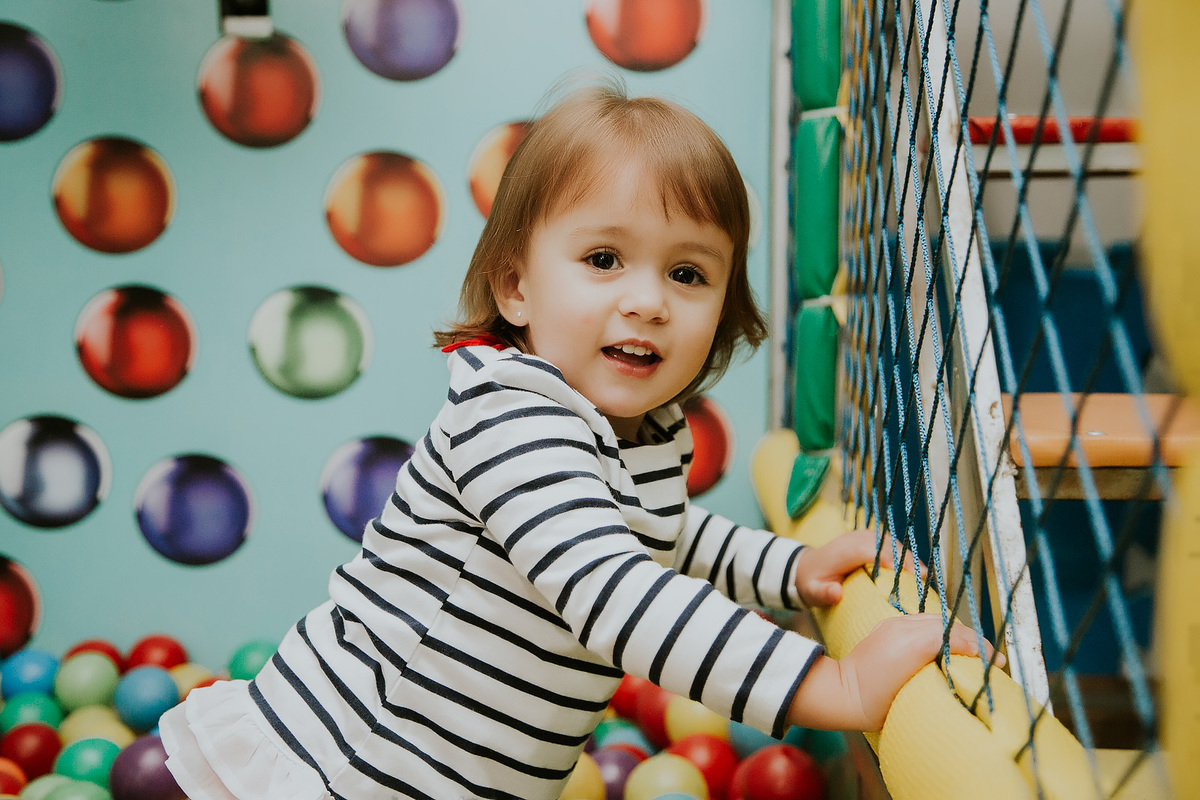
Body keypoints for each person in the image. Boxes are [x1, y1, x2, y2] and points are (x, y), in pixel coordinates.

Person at [160, 78, 995, 800]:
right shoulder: (511, 416)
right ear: (516, 286)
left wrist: (786, 568)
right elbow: (615, 592)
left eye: (688, 273)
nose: (648, 301)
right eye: (604, 258)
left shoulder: (641, 433)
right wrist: (835, 684)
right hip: (356, 764)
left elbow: (658, 534)